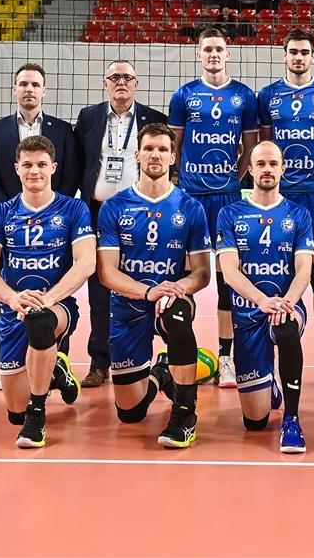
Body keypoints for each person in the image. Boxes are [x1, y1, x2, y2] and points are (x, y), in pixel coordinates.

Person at [0, 136, 92, 448]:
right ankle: (55, 371)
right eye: (27, 165)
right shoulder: (1, 212)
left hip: (56, 305)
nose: (34, 171)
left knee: (40, 321)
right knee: (14, 411)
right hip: (14, 309)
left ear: (53, 167)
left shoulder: (74, 208)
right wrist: (12, 298)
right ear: (17, 169)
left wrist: (49, 298)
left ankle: (37, 415)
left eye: (41, 164)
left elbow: (86, 262)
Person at [97, 124, 212, 448]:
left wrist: (177, 288)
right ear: (137, 155)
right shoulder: (114, 207)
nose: (155, 155)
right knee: (130, 413)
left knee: (177, 315)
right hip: (129, 303)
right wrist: (148, 292)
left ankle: (185, 414)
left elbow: (202, 273)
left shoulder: (190, 207)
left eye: (163, 149)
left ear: (173, 157)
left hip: (171, 299)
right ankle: (162, 373)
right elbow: (106, 273)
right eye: (149, 149)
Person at [169, 29, 260, 388]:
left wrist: (233, 179)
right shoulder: (184, 94)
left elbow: (250, 148)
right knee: (183, 278)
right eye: (207, 49)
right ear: (199, 54)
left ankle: (226, 358)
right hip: (190, 198)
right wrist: (182, 182)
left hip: (227, 199)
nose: (213, 54)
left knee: (227, 281)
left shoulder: (244, 96)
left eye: (219, 49)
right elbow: (174, 146)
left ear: (228, 53)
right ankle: (179, 352)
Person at [258, 30, 314, 387]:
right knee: (273, 275)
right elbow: (264, 147)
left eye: (304, 52)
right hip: (278, 199)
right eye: (293, 51)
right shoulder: (268, 96)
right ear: (284, 55)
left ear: (313, 56)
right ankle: (265, 359)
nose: (298, 57)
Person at [215, 140, 314, 452]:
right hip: (247, 315)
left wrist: (287, 302)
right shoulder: (230, 214)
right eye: (261, 164)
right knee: (255, 422)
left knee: (286, 329)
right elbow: (229, 271)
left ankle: (292, 419)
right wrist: (261, 300)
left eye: (273, 164)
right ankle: (269, 382)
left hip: (287, 307)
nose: (267, 169)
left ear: (283, 169)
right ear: (250, 169)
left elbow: (304, 269)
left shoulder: (299, 214)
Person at [73, 61, 168, 387]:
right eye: (115, 77)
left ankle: (148, 358)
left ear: (136, 83)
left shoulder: (154, 118)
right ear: (106, 83)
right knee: (100, 289)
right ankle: (99, 362)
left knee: (146, 283)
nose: (121, 82)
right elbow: (80, 163)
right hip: (100, 212)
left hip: (142, 215)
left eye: (127, 77)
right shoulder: (89, 117)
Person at [0, 64, 80, 208]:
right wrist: (7, 211)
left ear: (43, 91)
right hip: (9, 214)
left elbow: (71, 178)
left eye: (35, 85)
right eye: (23, 84)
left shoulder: (63, 130)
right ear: (14, 90)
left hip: (53, 214)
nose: (29, 89)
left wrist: (54, 210)